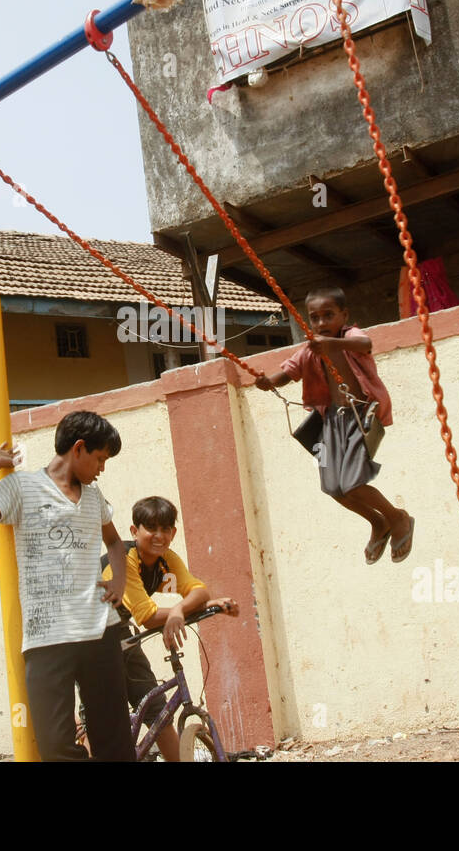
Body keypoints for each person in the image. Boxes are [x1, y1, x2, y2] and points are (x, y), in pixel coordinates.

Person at [0, 411, 136, 761]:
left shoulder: (94, 497)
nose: (102, 468)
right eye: (100, 458)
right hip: (47, 641)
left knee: (116, 745)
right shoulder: (21, 488)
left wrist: (117, 583)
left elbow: (116, 544)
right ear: (78, 448)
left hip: (100, 633)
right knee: (56, 748)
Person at [255, 287, 414, 564]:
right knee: (333, 488)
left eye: (328, 316)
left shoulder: (348, 337)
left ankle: (396, 517)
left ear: (344, 315)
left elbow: (365, 343)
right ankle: (378, 523)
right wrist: (269, 382)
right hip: (331, 421)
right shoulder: (310, 349)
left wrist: (333, 345)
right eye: (314, 318)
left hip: (358, 414)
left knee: (352, 483)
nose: (321, 324)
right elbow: (289, 371)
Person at [99, 495, 239, 761]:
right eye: (151, 528)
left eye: (165, 529)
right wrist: (184, 609)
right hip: (88, 632)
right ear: (134, 531)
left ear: (173, 533)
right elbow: (148, 617)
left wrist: (179, 609)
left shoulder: (165, 562)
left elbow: (197, 590)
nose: (158, 536)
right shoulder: (125, 560)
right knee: (99, 714)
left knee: (155, 709)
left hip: (119, 630)